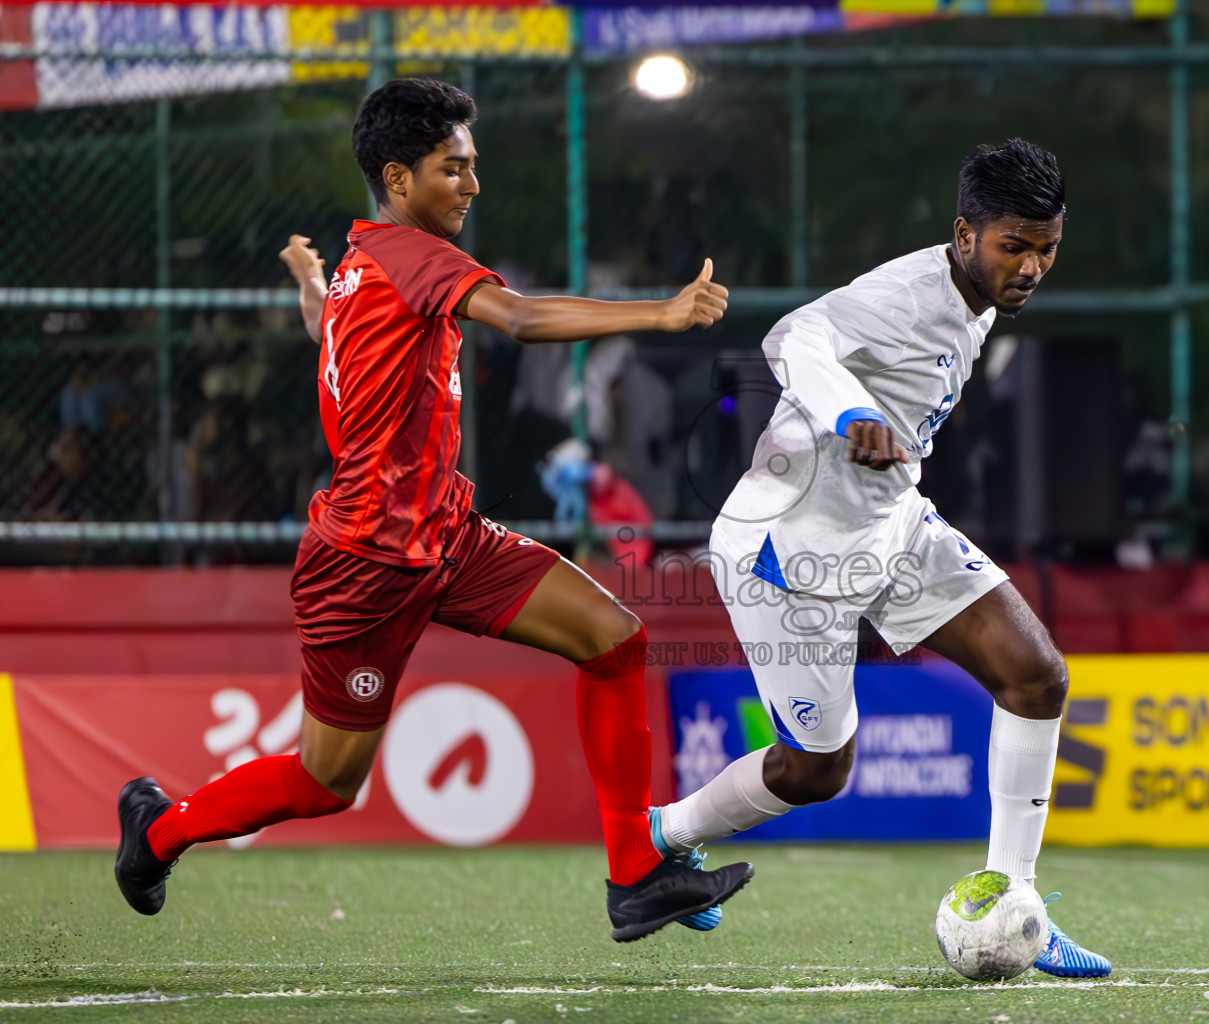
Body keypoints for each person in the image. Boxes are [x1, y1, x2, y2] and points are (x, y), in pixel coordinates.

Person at [113, 77, 750, 943]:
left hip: (446, 537)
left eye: (473, 166)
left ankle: (634, 875)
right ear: (398, 178)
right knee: (325, 782)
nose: (472, 185)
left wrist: (311, 283)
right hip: (365, 566)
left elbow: (330, 333)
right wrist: (662, 311)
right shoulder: (416, 257)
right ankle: (157, 831)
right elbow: (520, 319)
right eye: (454, 169)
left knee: (615, 637)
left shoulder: (365, 265)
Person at [650, 139, 1111, 978]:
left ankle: (1018, 905)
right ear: (965, 233)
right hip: (787, 550)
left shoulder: (979, 302)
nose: (1033, 266)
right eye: (1016, 245)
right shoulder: (906, 295)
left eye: (1048, 246)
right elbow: (793, 337)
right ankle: (667, 834)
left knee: (1037, 675)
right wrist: (849, 412)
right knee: (816, 771)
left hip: (892, 525)